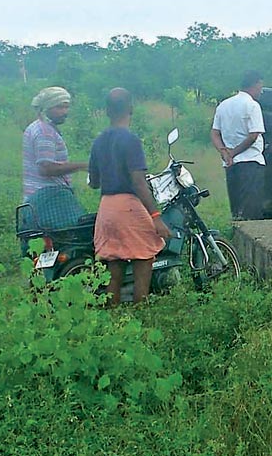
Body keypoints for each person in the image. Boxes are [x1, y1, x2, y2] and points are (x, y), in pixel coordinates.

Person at [88, 88, 171, 305]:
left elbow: (94, 182)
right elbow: (138, 182)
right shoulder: (131, 140)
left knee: (114, 269)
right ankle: (141, 313)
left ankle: (113, 320)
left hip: (106, 209)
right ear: (131, 109)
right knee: (144, 258)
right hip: (128, 207)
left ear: (107, 111)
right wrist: (156, 216)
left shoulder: (98, 142)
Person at [22, 86, 87, 230]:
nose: (65, 112)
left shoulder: (36, 127)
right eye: (59, 107)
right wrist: (83, 166)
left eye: (66, 107)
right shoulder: (44, 132)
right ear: (47, 107)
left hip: (35, 199)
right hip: (49, 200)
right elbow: (46, 168)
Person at [210, 70, 266, 220]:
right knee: (250, 210)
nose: (261, 90)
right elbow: (253, 135)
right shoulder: (252, 105)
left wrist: (224, 152)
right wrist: (233, 152)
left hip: (230, 164)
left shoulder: (223, 105)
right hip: (250, 162)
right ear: (254, 84)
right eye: (260, 86)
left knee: (236, 207)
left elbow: (215, 133)